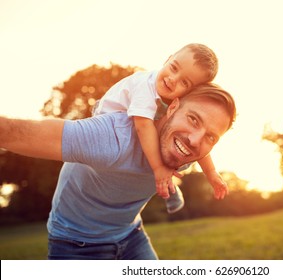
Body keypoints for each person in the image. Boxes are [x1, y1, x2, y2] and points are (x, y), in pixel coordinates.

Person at [0, 83, 236, 260]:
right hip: (75, 245)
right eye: (193, 119)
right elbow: (12, 132)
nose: (195, 141)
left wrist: (212, 175)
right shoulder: (112, 137)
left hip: (130, 235)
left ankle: (171, 192)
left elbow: (200, 148)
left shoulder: (185, 148)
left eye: (211, 137)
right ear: (172, 107)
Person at [94, 43, 227, 214]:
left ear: (190, 92)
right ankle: (165, 185)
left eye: (184, 82)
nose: (173, 79)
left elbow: (198, 139)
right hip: (110, 124)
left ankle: (168, 188)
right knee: (155, 154)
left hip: (135, 126)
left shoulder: (175, 100)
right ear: (168, 59)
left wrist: (211, 173)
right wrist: (158, 168)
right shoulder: (145, 86)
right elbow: (143, 126)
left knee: (177, 146)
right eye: (174, 68)